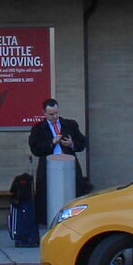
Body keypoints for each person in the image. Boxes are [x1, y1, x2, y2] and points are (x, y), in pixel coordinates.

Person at [27, 97, 87, 226]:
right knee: (48, 196)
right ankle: (50, 221)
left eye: (56, 113)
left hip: (68, 165)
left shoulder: (70, 124)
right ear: (44, 113)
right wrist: (51, 143)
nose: (55, 116)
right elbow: (35, 149)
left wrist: (72, 144)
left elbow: (82, 143)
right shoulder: (38, 129)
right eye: (51, 114)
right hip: (49, 166)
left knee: (73, 192)